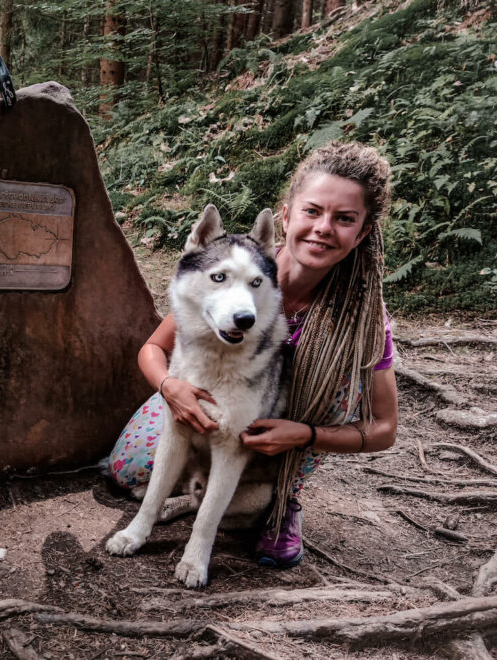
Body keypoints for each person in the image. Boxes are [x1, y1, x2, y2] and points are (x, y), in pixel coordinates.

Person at [108, 141, 398, 568]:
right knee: (130, 471)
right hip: (198, 389)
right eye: (313, 211)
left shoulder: (365, 319)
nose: (323, 227)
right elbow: (154, 347)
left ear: (363, 231)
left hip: (282, 423)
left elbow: (385, 428)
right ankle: (192, 493)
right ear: (286, 215)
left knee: (338, 372)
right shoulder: (238, 263)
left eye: (344, 219)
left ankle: (283, 498)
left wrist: (305, 434)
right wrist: (171, 388)